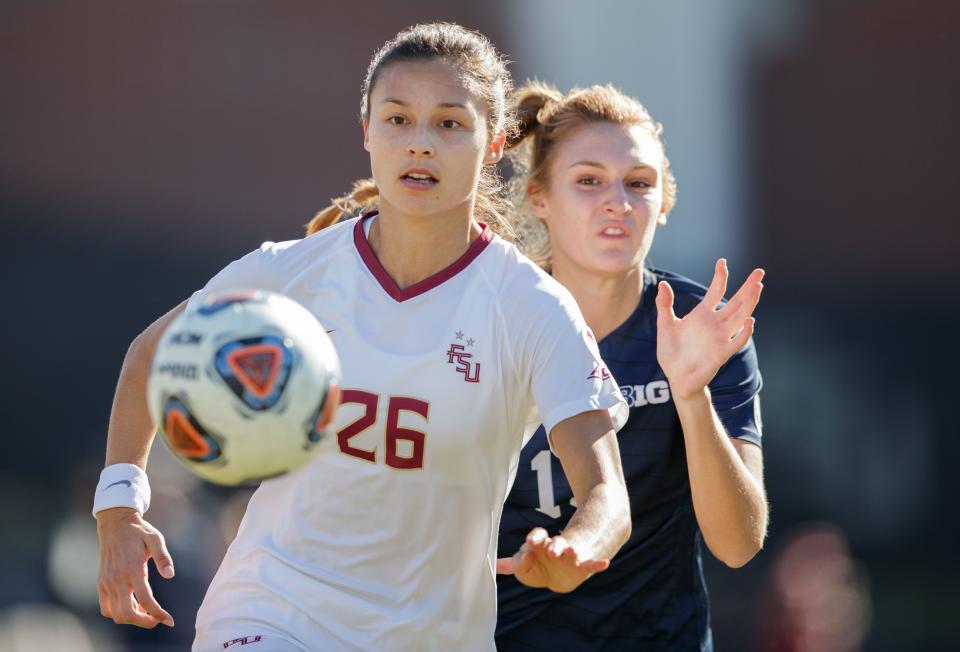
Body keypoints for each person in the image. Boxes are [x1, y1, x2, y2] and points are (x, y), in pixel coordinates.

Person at [93, 24, 632, 652]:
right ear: (368, 133)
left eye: (451, 124)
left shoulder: (530, 308)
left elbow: (606, 496)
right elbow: (152, 355)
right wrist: (120, 507)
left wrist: (576, 550)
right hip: (269, 612)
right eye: (397, 119)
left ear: (494, 144)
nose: (420, 144)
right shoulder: (290, 272)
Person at [494, 82, 768, 651]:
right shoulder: (490, 320)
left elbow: (739, 545)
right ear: (539, 197)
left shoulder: (701, 329)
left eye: (638, 184)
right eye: (588, 180)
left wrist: (691, 396)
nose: (617, 201)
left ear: (663, 204)